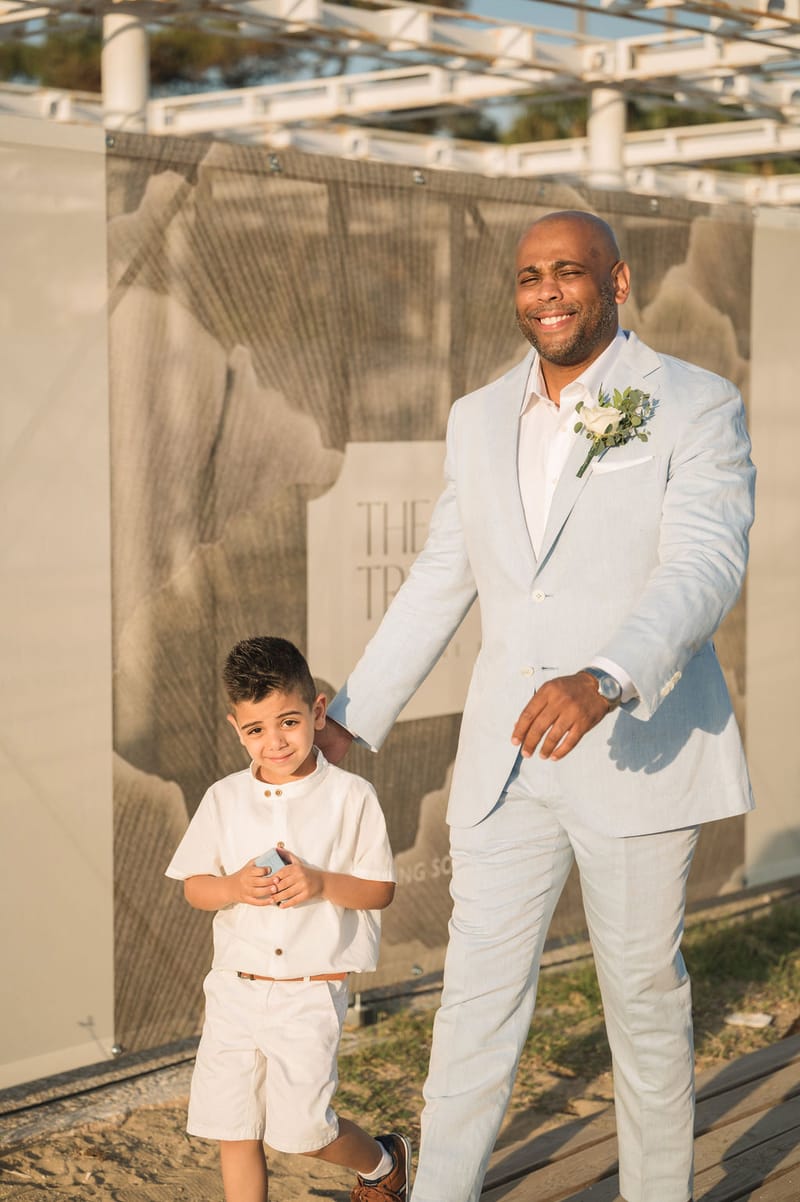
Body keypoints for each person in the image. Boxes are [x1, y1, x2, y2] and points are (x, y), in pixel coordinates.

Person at [318, 210, 756, 1202]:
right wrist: (351, 714)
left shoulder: (690, 402)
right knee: (473, 1000)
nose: (545, 291)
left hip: (635, 747)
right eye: (527, 276)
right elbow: (443, 571)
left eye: (568, 271)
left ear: (617, 281)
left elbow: (702, 561)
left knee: (641, 1002)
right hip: (502, 763)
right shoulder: (477, 415)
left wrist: (606, 673)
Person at [165, 636, 410, 1202]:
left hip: (310, 992)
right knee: (233, 1127)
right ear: (236, 728)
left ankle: (381, 1163)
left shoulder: (352, 796)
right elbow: (196, 889)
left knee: (302, 1132)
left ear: (318, 711)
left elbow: (380, 891)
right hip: (234, 988)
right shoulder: (223, 798)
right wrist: (232, 887)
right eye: (256, 730)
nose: (274, 742)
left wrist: (321, 882)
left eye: (290, 723)